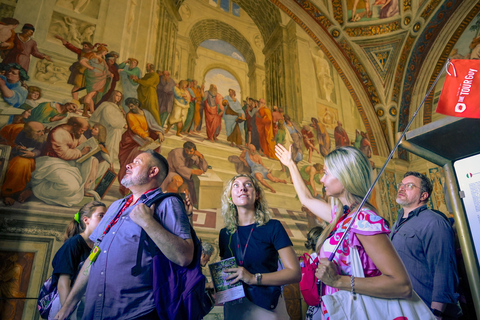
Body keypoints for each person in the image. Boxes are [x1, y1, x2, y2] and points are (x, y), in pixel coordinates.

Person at [275, 144, 412, 320]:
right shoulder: (342, 217)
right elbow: (307, 199)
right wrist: (290, 164)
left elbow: (402, 285)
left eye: (326, 173)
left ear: (344, 176)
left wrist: (338, 281)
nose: (321, 180)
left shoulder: (363, 220)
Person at [54, 150, 194, 320]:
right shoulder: (115, 206)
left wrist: (148, 223)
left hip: (137, 312)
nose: (128, 164)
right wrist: (68, 306)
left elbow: (184, 257)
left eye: (136, 162)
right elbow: (94, 256)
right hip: (95, 312)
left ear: (153, 172)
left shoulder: (167, 203)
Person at [218, 174, 301, 319]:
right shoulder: (225, 234)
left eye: (248, 184)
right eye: (236, 185)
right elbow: (226, 273)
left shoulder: (273, 227)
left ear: (257, 195)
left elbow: (295, 273)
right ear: (230, 198)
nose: (242, 188)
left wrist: (252, 278)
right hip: (234, 307)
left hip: (267, 307)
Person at [390, 172, 459, 318]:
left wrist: (436, 312)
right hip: (403, 308)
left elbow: (443, 269)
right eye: (401, 185)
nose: (402, 188)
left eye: (409, 186)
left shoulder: (434, 222)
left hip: (425, 309)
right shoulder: (396, 224)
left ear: (423, 196)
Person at [48, 201, 106, 320]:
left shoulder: (98, 245)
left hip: (84, 304)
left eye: (107, 216)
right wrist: (68, 312)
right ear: (86, 220)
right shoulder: (73, 243)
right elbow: (63, 284)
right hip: (65, 302)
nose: (105, 219)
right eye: (101, 215)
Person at [30, 117, 99, 207]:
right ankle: (36, 190)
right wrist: (81, 152)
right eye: (82, 130)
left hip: (68, 164)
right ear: (74, 126)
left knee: (94, 160)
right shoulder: (58, 133)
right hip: (51, 163)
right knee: (71, 187)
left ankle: (85, 189)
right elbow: (64, 154)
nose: (82, 133)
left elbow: (84, 143)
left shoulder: (76, 132)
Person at [118, 97, 164, 196]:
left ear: (137, 104)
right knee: (131, 158)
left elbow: (153, 124)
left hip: (147, 138)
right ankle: (127, 188)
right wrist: (145, 137)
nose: (131, 108)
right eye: (129, 106)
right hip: (133, 139)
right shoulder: (130, 115)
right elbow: (135, 128)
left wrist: (159, 132)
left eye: (132, 105)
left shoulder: (146, 113)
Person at [0, 121, 45, 205]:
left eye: (43, 130)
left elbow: (41, 149)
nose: (42, 133)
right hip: (13, 154)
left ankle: (9, 194)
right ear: (28, 132)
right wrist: (17, 148)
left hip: (32, 159)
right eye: (38, 132)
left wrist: (33, 154)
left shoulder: (42, 137)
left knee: (21, 163)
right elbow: (9, 143)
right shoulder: (18, 132)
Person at [160, 141, 208, 207]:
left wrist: (201, 157)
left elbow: (204, 169)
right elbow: (179, 167)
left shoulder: (194, 155)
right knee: (178, 181)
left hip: (184, 175)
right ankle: (167, 200)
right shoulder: (176, 153)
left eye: (191, 151)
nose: (188, 153)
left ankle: (177, 205)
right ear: (184, 149)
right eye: (186, 150)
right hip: (171, 172)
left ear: (194, 151)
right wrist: (193, 171)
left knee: (185, 190)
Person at [89, 90, 126, 165]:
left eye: (120, 97)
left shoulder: (118, 108)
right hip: (107, 127)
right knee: (115, 132)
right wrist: (122, 124)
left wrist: (124, 117)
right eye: (117, 95)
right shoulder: (106, 105)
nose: (118, 98)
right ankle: (109, 157)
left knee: (117, 132)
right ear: (113, 95)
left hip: (115, 128)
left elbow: (120, 119)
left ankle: (112, 158)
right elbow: (109, 119)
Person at [54, 35, 93, 100]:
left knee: (89, 90)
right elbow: (72, 48)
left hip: (89, 73)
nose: (84, 47)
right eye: (83, 46)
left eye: (85, 46)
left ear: (90, 47)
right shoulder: (81, 52)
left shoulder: (93, 55)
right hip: (80, 72)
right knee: (76, 88)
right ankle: (75, 102)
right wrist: (63, 40)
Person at [79, 45, 112, 116]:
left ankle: (92, 111)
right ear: (102, 51)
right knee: (91, 93)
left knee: (91, 94)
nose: (105, 54)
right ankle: (85, 112)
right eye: (105, 52)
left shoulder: (103, 60)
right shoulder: (92, 55)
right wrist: (90, 67)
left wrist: (109, 73)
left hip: (100, 78)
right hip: (92, 77)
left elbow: (105, 69)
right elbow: (82, 61)